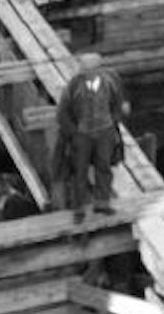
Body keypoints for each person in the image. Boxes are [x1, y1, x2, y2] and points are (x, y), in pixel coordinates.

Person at [52, 51, 128, 218]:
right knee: (80, 171)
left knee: (104, 168)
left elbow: (118, 104)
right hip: (83, 135)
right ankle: (79, 208)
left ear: (98, 70)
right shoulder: (73, 87)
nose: (86, 73)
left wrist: (111, 123)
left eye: (90, 69)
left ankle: (102, 203)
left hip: (104, 134)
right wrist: (74, 133)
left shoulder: (109, 84)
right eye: (84, 69)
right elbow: (62, 113)